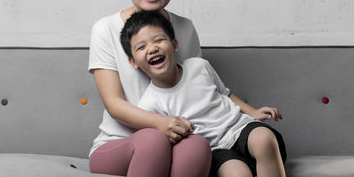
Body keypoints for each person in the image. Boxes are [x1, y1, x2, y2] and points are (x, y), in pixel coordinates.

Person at [88, 0, 211, 177]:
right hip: (119, 146)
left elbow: (198, 90)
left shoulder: (185, 28)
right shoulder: (105, 29)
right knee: (153, 140)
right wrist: (160, 124)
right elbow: (114, 104)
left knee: (197, 145)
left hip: (174, 141)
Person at [120, 10, 287, 177]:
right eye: (141, 47)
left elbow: (225, 94)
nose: (152, 49)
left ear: (175, 45)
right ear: (133, 62)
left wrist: (254, 112)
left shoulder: (199, 66)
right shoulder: (149, 104)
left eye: (159, 40)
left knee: (264, 139)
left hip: (239, 127)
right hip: (215, 150)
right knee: (238, 174)